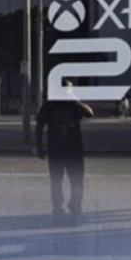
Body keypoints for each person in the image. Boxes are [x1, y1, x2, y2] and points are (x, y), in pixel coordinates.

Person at [36, 80, 94, 225]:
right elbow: (39, 126)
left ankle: (75, 206)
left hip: (73, 149)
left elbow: (89, 113)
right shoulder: (50, 105)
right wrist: (39, 146)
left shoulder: (74, 105)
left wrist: (75, 100)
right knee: (57, 180)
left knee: (76, 180)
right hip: (57, 148)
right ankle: (58, 208)